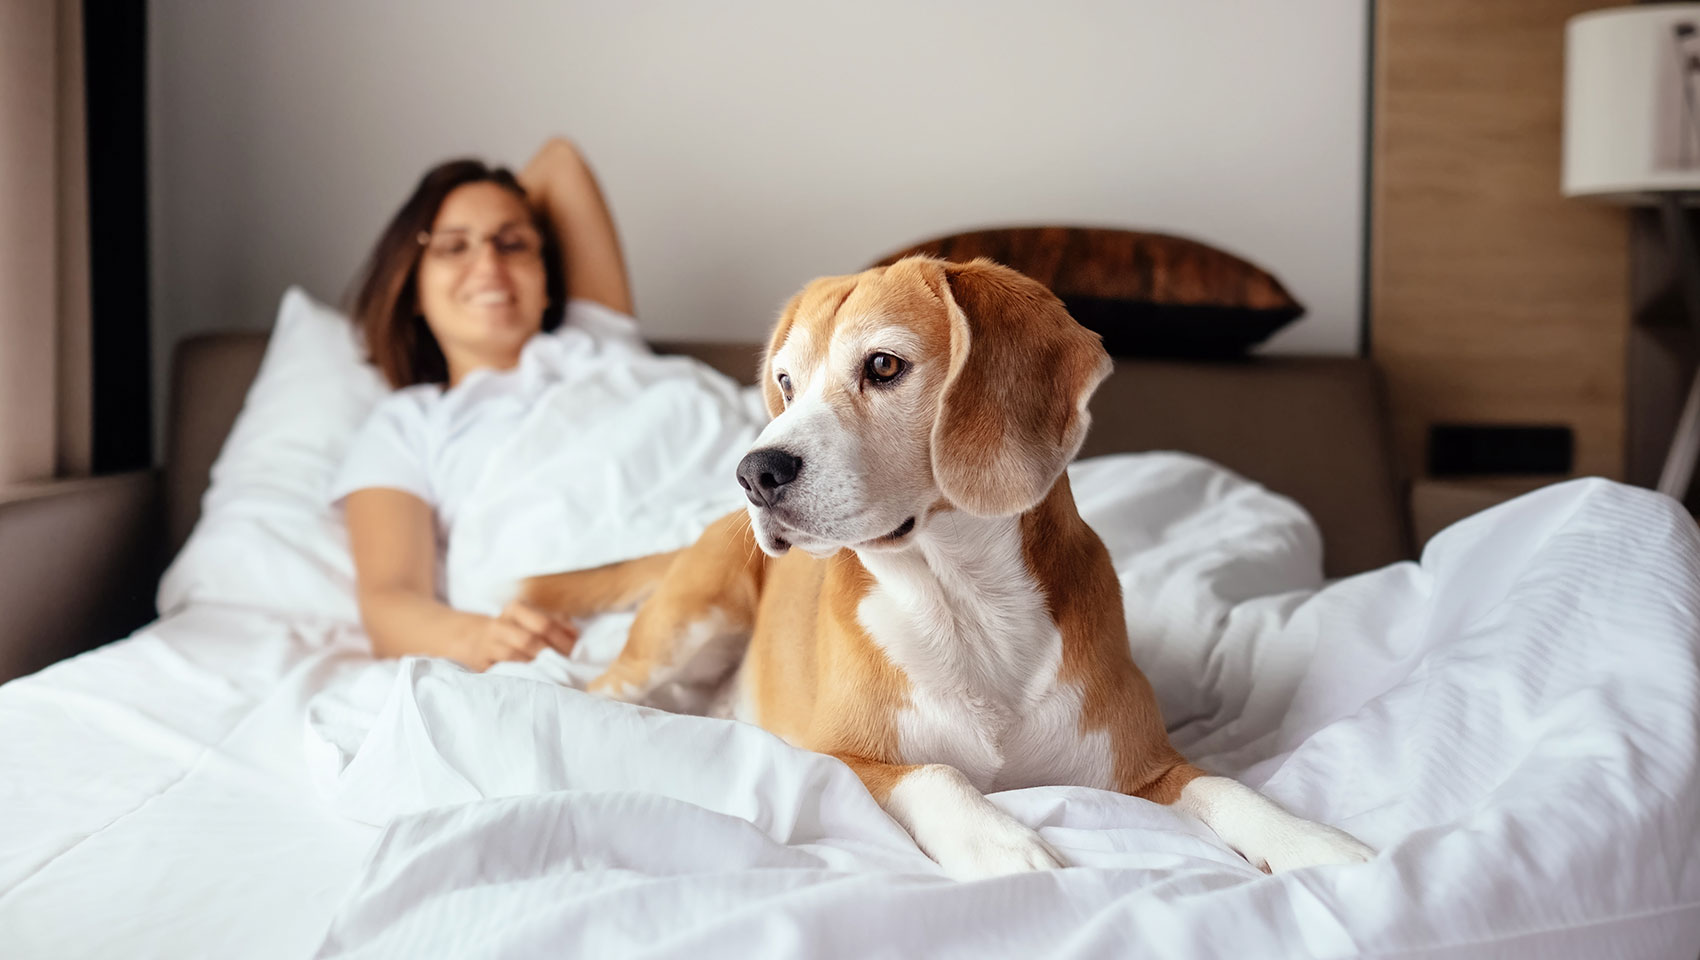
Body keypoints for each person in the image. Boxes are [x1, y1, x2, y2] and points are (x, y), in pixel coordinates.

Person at [333, 137, 634, 671]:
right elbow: (389, 600)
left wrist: (485, 208)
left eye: (512, 244)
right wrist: (480, 639)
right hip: (582, 626)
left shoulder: (599, 343)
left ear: (546, 281)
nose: (488, 262)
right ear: (415, 289)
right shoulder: (409, 423)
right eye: (453, 248)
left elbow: (560, 161)